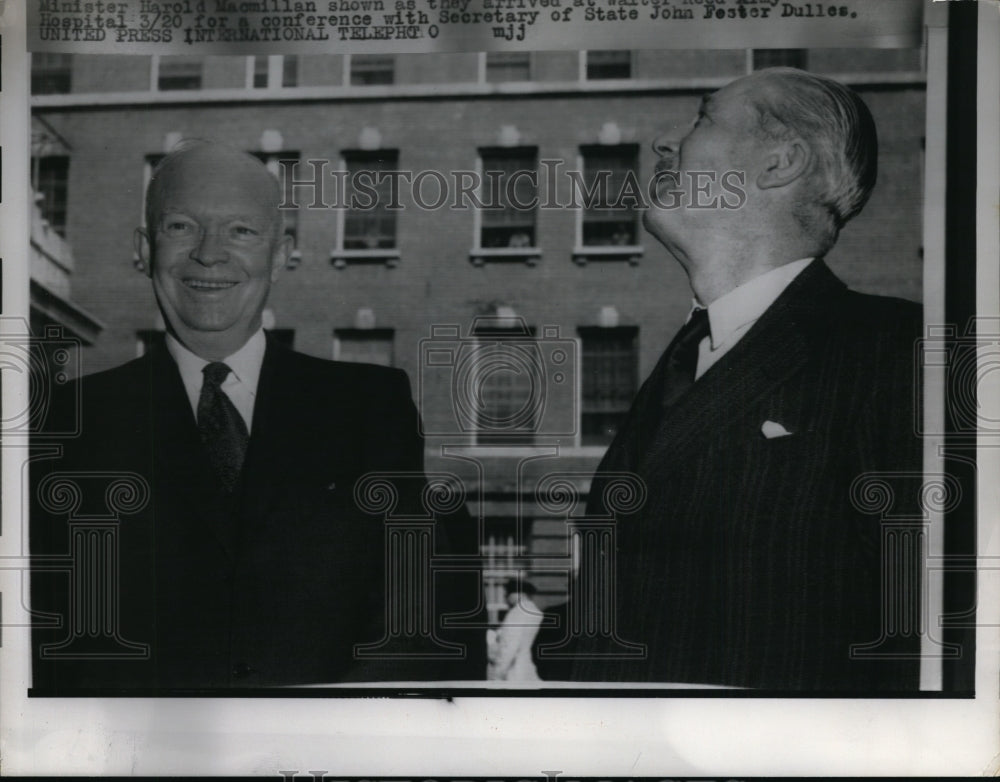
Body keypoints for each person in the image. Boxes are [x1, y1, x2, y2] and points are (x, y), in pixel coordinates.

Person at [30, 140, 480, 691]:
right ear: (144, 250)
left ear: (282, 253)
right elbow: (44, 647)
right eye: (180, 227)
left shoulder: (369, 407)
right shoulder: (67, 421)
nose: (209, 254)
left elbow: (418, 628)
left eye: (241, 231)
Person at [571, 68, 922, 691]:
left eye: (703, 119)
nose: (666, 143)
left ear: (780, 163)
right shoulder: (684, 360)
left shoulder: (898, 354)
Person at [487, 579, 543, 682]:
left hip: (515, 671)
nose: (506, 599)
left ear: (518, 594)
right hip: (531, 669)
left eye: (507, 594)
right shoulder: (536, 612)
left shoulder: (516, 613)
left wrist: (497, 674)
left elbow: (509, 646)